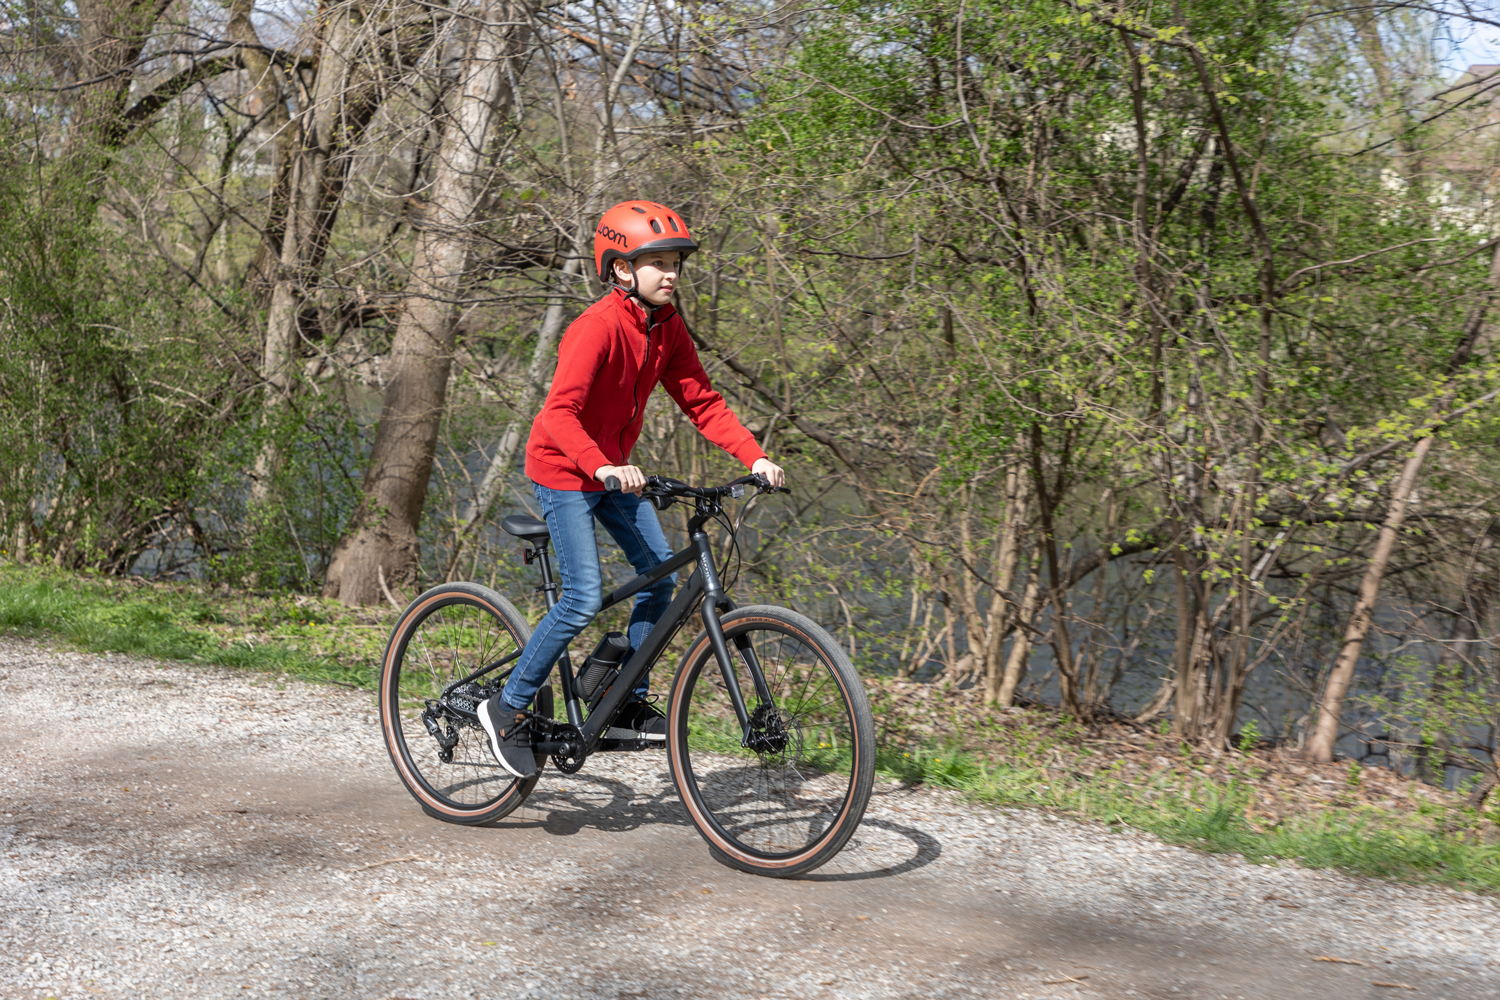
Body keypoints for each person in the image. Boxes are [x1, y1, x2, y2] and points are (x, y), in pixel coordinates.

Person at [477, 200, 785, 779]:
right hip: (567, 471)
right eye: (658, 262)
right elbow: (559, 416)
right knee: (584, 597)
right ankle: (507, 706)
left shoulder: (667, 327)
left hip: (614, 469)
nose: (672, 273)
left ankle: (622, 702)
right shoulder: (593, 329)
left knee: (662, 582)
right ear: (621, 269)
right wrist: (601, 468)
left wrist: (756, 456)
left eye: (676, 263)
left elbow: (702, 401)